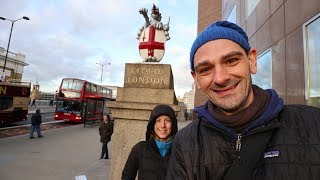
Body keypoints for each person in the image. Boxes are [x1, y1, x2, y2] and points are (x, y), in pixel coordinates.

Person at [167, 21, 320, 179]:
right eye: (206, 69)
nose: (220, 78)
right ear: (196, 79)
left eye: (231, 60)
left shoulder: (313, 124)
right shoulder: (184, 142)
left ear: (252, 61)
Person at [121, 104, 178, 180]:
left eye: (167, 120)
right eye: (158, 121)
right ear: (152, 124)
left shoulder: (180, 151)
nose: (163, 125)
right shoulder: (140, 149)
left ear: (173, 124)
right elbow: (127, 177)